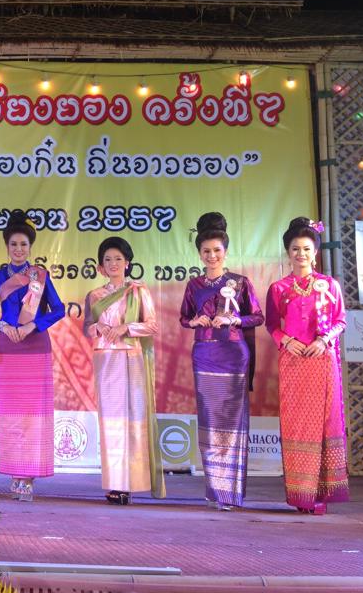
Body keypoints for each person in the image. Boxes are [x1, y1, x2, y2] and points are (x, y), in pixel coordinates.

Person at [0, 210, 65, 502]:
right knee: (11, 414)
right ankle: (15, 472)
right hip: (8, 348)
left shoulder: (39, 276)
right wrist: (1, 326)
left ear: (30, 247)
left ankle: (29, 476)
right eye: (13, 244)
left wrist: (31, 326)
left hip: (35, 346)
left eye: (23, 244)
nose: (18, 249)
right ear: (6, 246)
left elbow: (59, 309)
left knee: (33, 415)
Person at [179, 212, 263, 510]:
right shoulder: (194, 285)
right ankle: (215, 489)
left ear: (225, 251)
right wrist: (195, 321)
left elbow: (257, 316)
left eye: (217, 250)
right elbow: (184, 318)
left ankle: (230, 492)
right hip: (205, 355)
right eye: (206, 251)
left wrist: (234, 319)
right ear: (199, 253)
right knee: (210, 421)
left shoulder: (240, 283)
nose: (212, 255)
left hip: (233, 356)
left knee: (232, 423)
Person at [266, 217, 349, 514]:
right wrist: (286, 341)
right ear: (287, 253)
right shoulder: (279, 288)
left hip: (322, 361)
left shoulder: (329, 285)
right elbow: (272, 325)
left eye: (306, 249)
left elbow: (341, 321)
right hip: (293, 362)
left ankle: (320, 494)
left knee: (325, 424)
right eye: (295, 249)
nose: (300, 254)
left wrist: (324, 340)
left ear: (315, 252)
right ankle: (300, 494)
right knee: (297, 426)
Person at [84, 236, 165, 505]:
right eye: (108, 259)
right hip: (106, 359)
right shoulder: (94, 295)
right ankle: (114, 482)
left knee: (133, 420)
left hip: (131, 359)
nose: (113, 263)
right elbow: (87, 328)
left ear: (127, 263)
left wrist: (126, 328)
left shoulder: (138, 292)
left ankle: (131, 482)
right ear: (100, 266)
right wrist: (99, 327)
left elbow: (152, 326)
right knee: (111, 422)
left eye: (118, 259)